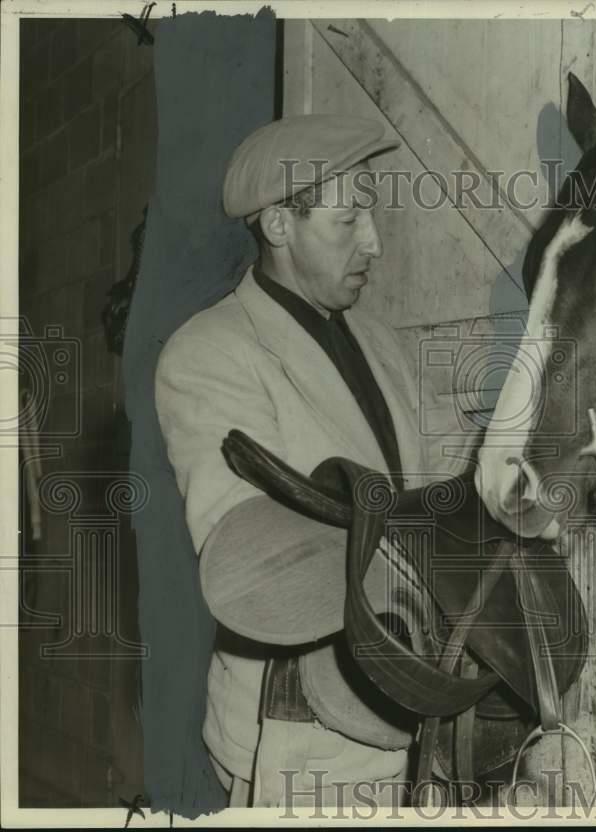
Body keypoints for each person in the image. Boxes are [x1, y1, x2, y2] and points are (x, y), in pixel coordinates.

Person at [155, 114, 463, 809]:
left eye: (372, 215)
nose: (375, 243)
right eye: (348, 219)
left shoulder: (384, 345)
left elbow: (444, 497)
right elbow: (253, 556)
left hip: (419, 712)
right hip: (304, 724)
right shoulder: (207, 354)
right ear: (278, 226)